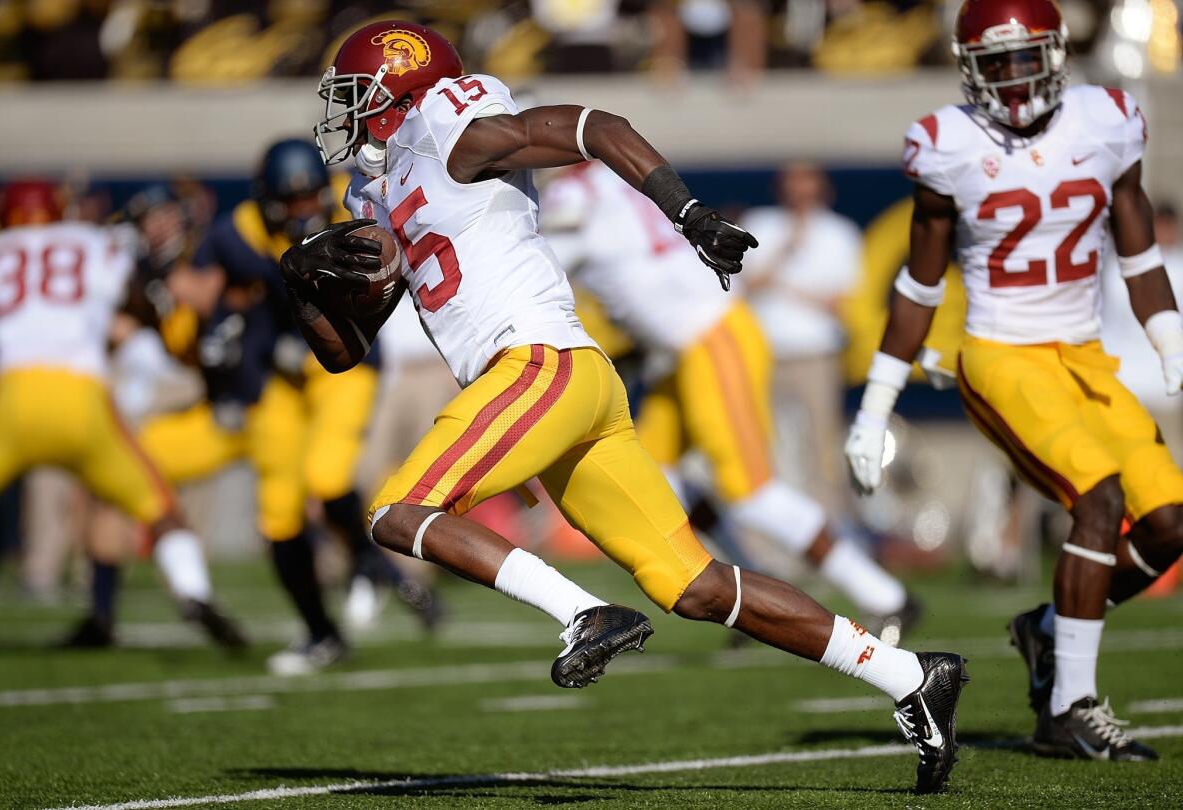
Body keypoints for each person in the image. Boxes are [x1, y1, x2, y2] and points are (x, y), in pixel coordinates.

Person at [282, 21, 967, 794]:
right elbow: (343, 352)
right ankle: (911, 675)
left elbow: (594, 127)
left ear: (400, 88)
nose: (345, 114)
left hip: (538, 364)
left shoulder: (450, 131)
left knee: (397, 512)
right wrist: (299, 282)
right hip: (566, 387)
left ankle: (583, 614)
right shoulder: (376, 189)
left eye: (356, 96)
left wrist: (688, 211)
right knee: (696, 587)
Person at [845, 0, 1181, 762]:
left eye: (1027, 56)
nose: (1015, 76)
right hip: (1000, 356)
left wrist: (1170, 338)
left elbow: (1137, 251)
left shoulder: (1107, 121)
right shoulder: (948, 143)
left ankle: (1048, 630)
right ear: (969, 68)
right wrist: (873, 409)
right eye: (996, 62)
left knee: (1170, 525)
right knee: (1098, 499)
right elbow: (919, 288)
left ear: (1059, 52)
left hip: (1084, 357)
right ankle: (1069, 707)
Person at [542, 161, 919, 643]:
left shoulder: (573, 195)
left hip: (711, 338)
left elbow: (544, 265)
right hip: (683, 348)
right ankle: (752, 581)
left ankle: (885, 596)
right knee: (659, 477)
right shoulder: (609, 182)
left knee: (752, 493)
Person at [146, 142, 441, 674]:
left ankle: (369, 569)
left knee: (327, 478)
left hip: (342, 366)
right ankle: (321, 632)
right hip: (276, 379)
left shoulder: (350, 201)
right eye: (292, 198)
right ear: (268, 199)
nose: (305, 208)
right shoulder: (239, 232)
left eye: (310, 195)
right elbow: (204, 296)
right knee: (279, 515)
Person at [0, 179, 245, 650]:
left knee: (108, 507)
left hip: (12, 395)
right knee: (161, 509)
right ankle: (193, 591)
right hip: (83, 396)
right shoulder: (93, 244)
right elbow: (136, 298)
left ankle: (107, 612)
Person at [740, 163, 863, 520]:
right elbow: (745, 285)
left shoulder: (840, 233)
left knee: (822, 445)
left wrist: (785, 286)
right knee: (766, 445)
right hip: (764, 352)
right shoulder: (761, 223)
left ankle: (831, 529)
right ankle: (774, 536)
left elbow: (838, 302)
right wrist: (783, 254)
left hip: (815, 354)